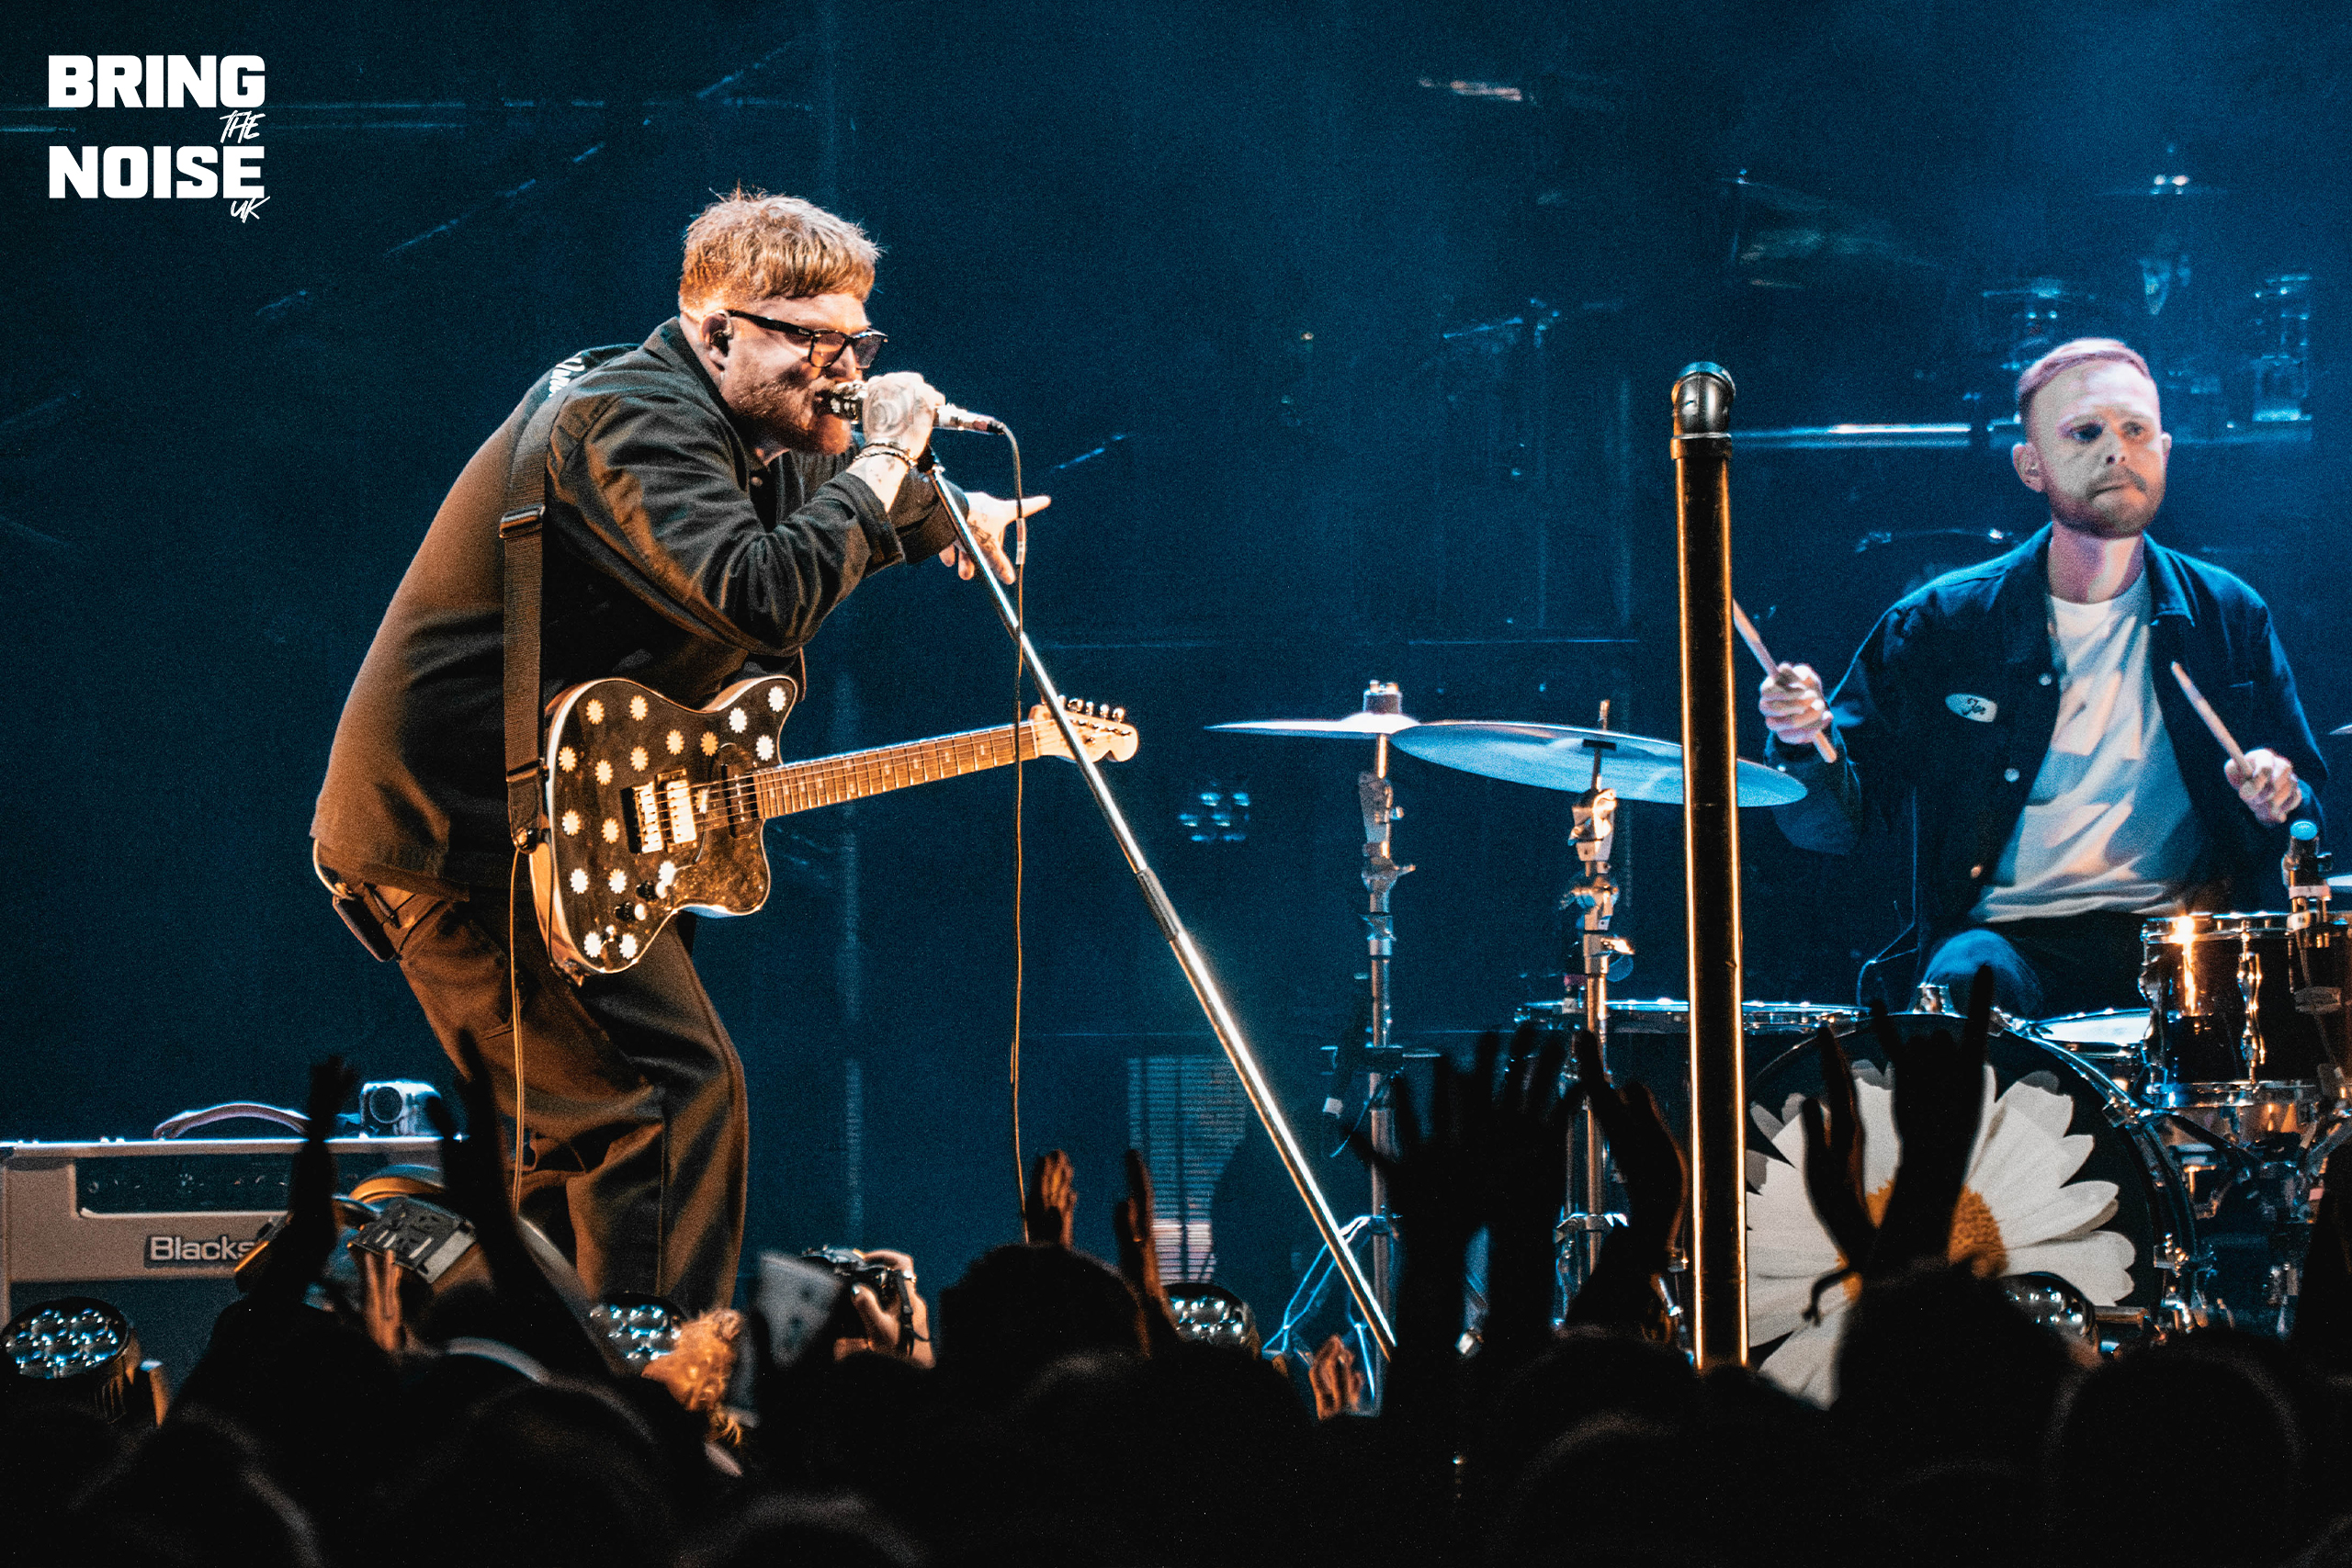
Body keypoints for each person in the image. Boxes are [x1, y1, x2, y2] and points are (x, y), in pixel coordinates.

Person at [310, 190, 1048, 1314]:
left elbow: (834, 520)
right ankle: (660, 1393)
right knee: (660, 1100)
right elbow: (758, 592)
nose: (844, 370)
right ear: (717, 333)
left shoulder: (756, 437)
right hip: (465, 832)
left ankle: (543, 1391)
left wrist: (953, 516)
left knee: (585, 1144)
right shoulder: (631, 423)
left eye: (859, 342)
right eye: (814, 342)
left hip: (574, 827)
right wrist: (891, 453)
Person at [1758, 338, 2324, 1017]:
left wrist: (2281, 799)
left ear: (2165, 451)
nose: (2117, 451)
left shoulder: (2229, 615)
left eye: (2136, 430)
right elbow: (1832, 827)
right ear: (2031, 465)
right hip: (2007, 943)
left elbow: (2308, 823)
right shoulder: (1941, 624)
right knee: (1966, 980)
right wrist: (1802, 741)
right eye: (2086, 433)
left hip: (2181, 944)